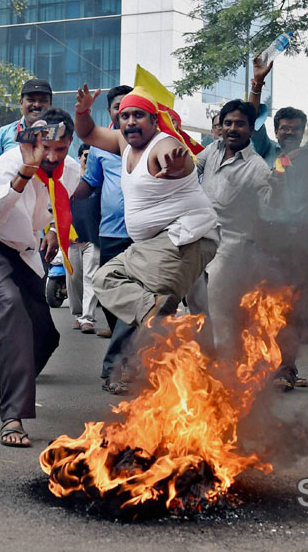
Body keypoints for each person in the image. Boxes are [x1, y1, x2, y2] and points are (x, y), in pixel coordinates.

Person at [73, 84, 219, 391]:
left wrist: (178, 166)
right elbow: (87, 134)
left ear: (154, 121)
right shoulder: (123, 143)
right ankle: (161, 317)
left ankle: (170, 337)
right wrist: (82, 111)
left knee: (144, 299)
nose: (129, 122)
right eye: (125, 116)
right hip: (155, 245)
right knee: (105, 279)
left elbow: (178, 160)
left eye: (138, 115)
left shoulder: (162, 145)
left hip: (183, 239)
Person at [0, 108, 79, 447]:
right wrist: (26, 170)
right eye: (45, 146)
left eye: (60, 149)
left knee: (47, 335)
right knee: (10, 305)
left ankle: (6, 371)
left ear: (69, 145)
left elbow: (55, 206)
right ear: (33, 139)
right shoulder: (9, 163)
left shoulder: (72, 170)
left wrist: (52, 229)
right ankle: (13, 417)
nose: (51, 156)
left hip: (22, 251)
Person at [247, 57, 308, 390]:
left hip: (300, 243)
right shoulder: (263, 150)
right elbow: (249, 121)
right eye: (284, 127)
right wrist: (257, 85)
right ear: (277, 131)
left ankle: (286, 369)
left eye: (295, 128)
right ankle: (260, 365)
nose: (289, 132)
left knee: (289, 309)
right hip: (265, 241)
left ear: (303, 132)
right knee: (259, 306)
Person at [190, 99, 276, 358]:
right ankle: (203, 358)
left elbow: (270, 200)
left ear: (251, 129)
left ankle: (225, 368)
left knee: (220, 310)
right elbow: (193, 168)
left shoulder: (257, 166)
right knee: (195, 303)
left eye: (240, 124)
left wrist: (281, 187)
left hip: (231, 248)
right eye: (227, 123)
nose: (232, 128)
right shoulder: (213, 149)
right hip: (199, 239)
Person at [69, 85, 139, 394]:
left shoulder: (151, 143)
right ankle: (125, 355)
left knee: (135, 302)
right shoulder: (100, 146)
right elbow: (88, 185)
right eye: (119, 110)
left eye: (134, 110)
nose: (126, 117)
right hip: (110, 233)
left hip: (143, 237)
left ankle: (115, 365)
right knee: (110, 298)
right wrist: (58, 203)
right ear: (112, 113)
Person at [0, 78, 54, 173]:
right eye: (31, 100)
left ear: (50, 105)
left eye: (43, 101)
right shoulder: (3, 134)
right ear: (21, 103)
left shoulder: (59, 135)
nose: (37, 105)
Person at [66, 143, 101, 333]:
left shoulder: (99, 180)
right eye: (85, 155)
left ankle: (88, 318)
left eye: (91, 156)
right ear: (79, 157)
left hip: (92, 239)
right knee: (74, 279)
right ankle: (79, 315)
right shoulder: (70, 180)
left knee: (90, 277)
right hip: (71, 240)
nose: (87, 159)